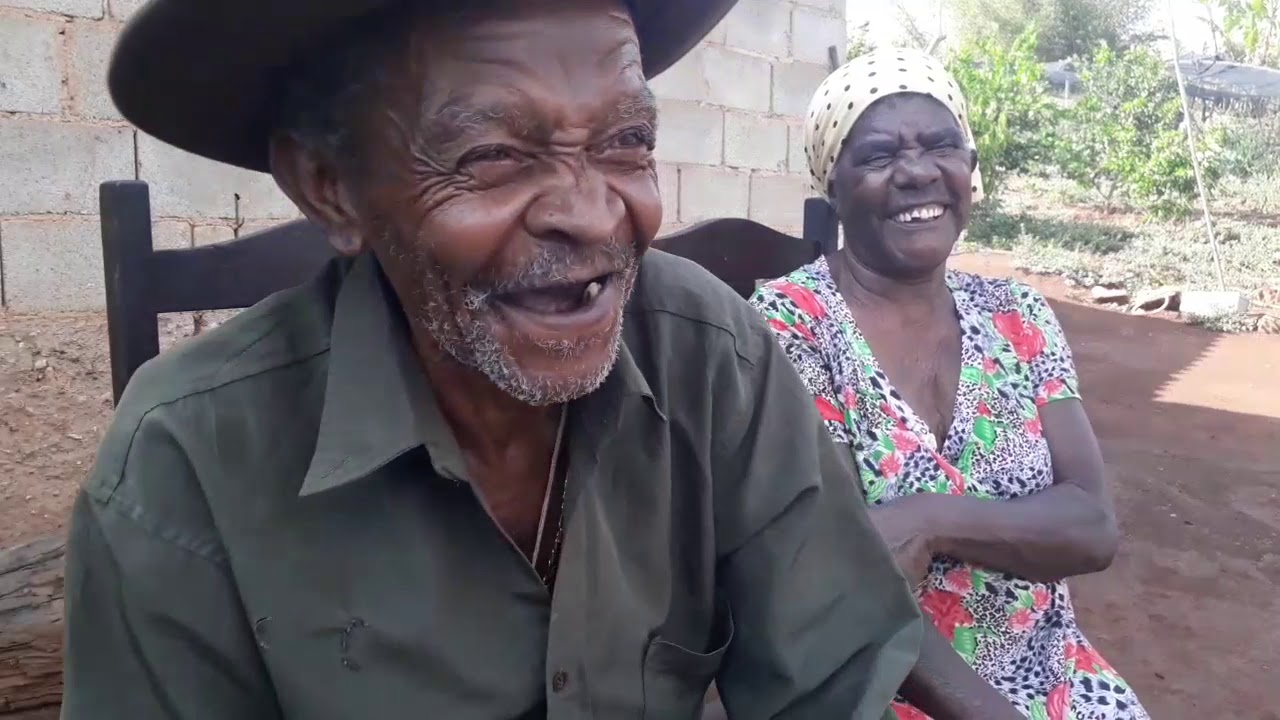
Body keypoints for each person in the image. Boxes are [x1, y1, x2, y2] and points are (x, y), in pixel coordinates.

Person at [59, 1, 926, 718]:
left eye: (624, 141)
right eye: (494, 156)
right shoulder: (183, 464)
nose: (593, 216)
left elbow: (834, 678)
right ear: (331, 187)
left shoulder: (712, 356)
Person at [750, 48, 1150, 720]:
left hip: (1052, 673)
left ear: (968, 169)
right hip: (873, 688)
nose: (916, 171)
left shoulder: (1018, 316)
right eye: (878, 155)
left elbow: (1091, 525)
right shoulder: (793, 323)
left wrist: (928, 520)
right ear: (832, 183)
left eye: (941, 145)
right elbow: (843, 573)